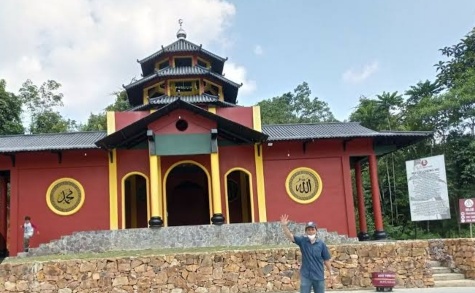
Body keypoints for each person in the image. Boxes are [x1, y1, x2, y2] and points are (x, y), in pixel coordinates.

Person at [280, 214, 333, 293]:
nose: (311, 232)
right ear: (306, 231)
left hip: (318, 276)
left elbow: (326, 260)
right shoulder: (302, 241)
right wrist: (284, 226)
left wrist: (331, 272)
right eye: (308, 230)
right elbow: (290, 236)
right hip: (306, 276)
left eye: (312, 229)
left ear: (316, 230)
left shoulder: (321, 244)